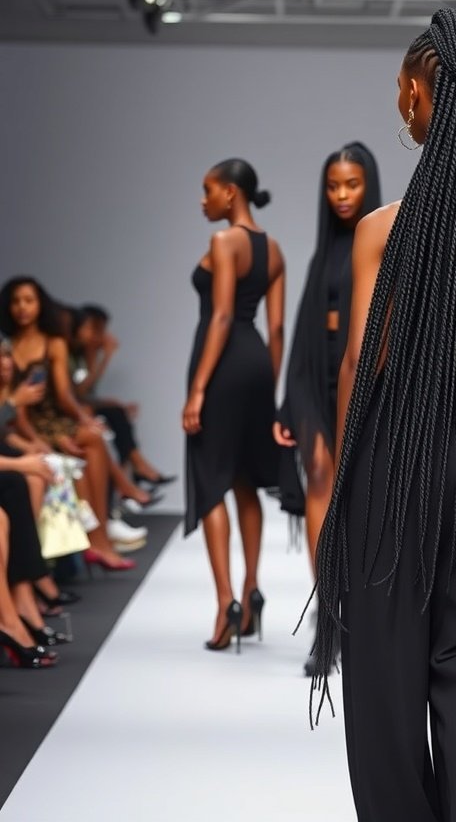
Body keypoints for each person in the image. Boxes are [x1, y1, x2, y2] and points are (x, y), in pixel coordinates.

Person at [310, 9, 456, 822]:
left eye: (403, 91)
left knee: (385, 673)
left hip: (396, 461)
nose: (400, 106)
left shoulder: (384, 230)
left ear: (426, 96)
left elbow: (362, 367)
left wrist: (342, 496)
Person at [273, 143, 381, 674]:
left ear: (369, 184)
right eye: (333, 185)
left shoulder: (387, 239)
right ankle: (329, 612)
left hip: (365, 382)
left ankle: (360, 609)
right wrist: (286, 403)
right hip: (316, 382)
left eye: (352, 184)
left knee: (360, 492)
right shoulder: (323, 252)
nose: (341, 195)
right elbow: (304, 331)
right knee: (319, 476)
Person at [182, 159, 285, 653]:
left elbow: (222, 314)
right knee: (245, 481)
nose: (203, 201)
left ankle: (225, 602)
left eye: (207, 191)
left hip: (221, 365)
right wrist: (272, 386)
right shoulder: (276, 250)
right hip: (258, 366)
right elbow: (279, 329)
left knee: (210, 481)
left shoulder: (224, 242)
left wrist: (198, 389)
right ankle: (251, 587)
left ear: (230, 192)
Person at [0, 277, 136, 571]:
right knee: (87, 445)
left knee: (90, 439)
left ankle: (100, 537)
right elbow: (13, 403)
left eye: (29, 300)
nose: (23, 308)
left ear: (40, 304)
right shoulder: (6, 346)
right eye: (16, 301)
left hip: (48, 419)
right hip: (20, 424)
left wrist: (82, 418)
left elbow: (63, 394)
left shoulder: (53, 342)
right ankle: (99, 540)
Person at [70, 305, 175, 487]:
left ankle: (134, 472)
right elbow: (78, 392)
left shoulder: (83, 356)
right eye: (96, 329)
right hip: (71, 414)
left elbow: (85, 392)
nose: (101, 336)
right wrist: (105, 357)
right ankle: (137, 469)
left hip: (81, 408)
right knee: (115, 417)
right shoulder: (72, 356)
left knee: (119, 415)